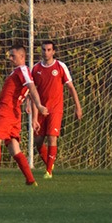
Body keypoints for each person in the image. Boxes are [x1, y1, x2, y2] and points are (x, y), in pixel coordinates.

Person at [0, 44, 49, 187]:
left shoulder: (22, 69)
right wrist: (34, 115)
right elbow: (29, 90)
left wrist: (40, 105)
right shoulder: (19, 72)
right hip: (14, 114)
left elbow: (31, 87)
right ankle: (30, 180)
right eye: (9, 55)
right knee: (14, 147)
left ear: (22, 57)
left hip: (6, 111)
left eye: (13, 55)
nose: (10, 58)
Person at [31, 40, 82, 179]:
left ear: (53, 51)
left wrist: (78, 107)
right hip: (41, 109)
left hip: (56, 108)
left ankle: (48, 171)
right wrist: (28, 104)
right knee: (38, 142)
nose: (46, 52)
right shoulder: (35, 69)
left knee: (52, 138)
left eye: (49, 50)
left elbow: (71, 88)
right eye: (43, 50)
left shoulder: (60, 66)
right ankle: (49, 162)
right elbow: (31, 89)